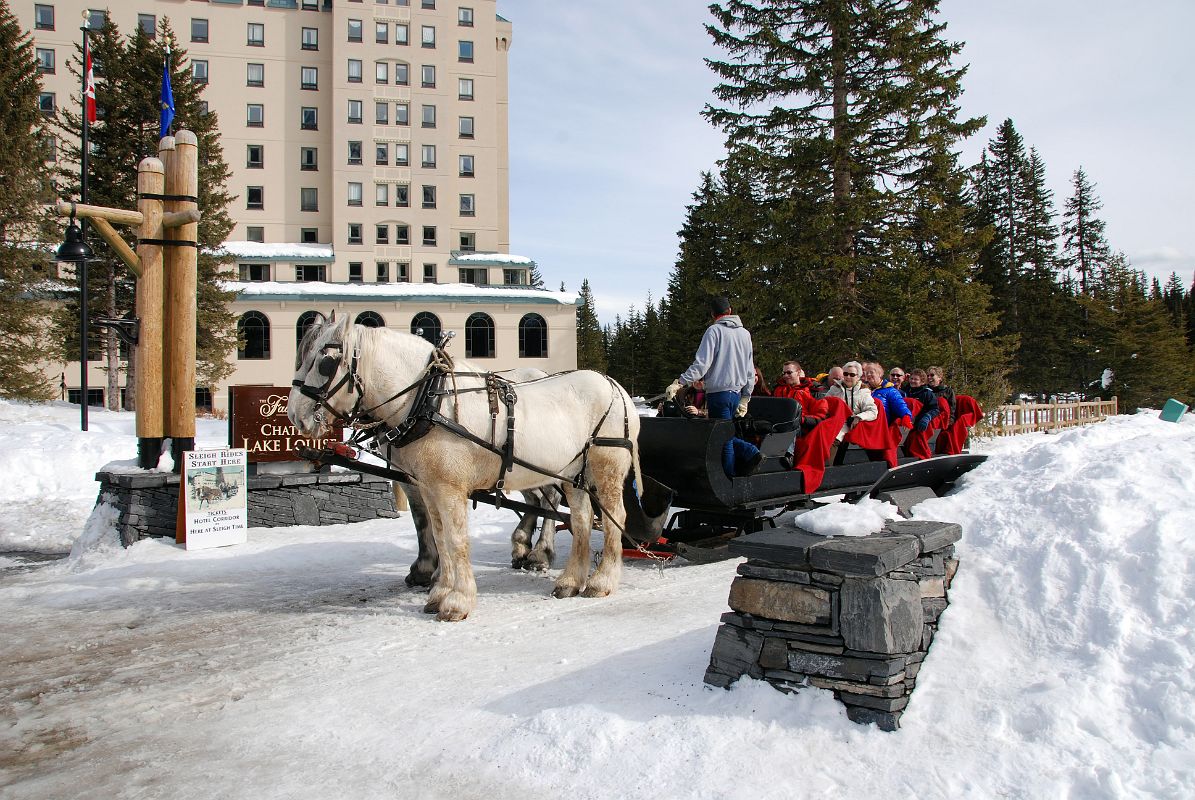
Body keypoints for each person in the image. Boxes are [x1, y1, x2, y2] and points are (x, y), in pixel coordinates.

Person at [665, 297, 762, 477]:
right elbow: (750, 368)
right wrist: (746, 396)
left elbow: (702, 364)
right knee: (724, 433)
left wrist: (680, 382)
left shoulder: (714, 331)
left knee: (722, 439)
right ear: (730, 311)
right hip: (735, 394)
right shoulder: (745, 334)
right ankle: (747, 455)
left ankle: (732, 473)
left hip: (719, 394)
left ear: (713, 314)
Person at [826, 360, 877, 438]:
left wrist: (859, 417)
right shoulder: (834, 388)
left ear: (858, 377)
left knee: (834, 438)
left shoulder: (863, 392)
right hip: (832, 423)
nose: (848, 377)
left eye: (852, 375)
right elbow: (824, 404)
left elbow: (872, 411)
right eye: (845, 374)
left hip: (850, 427)